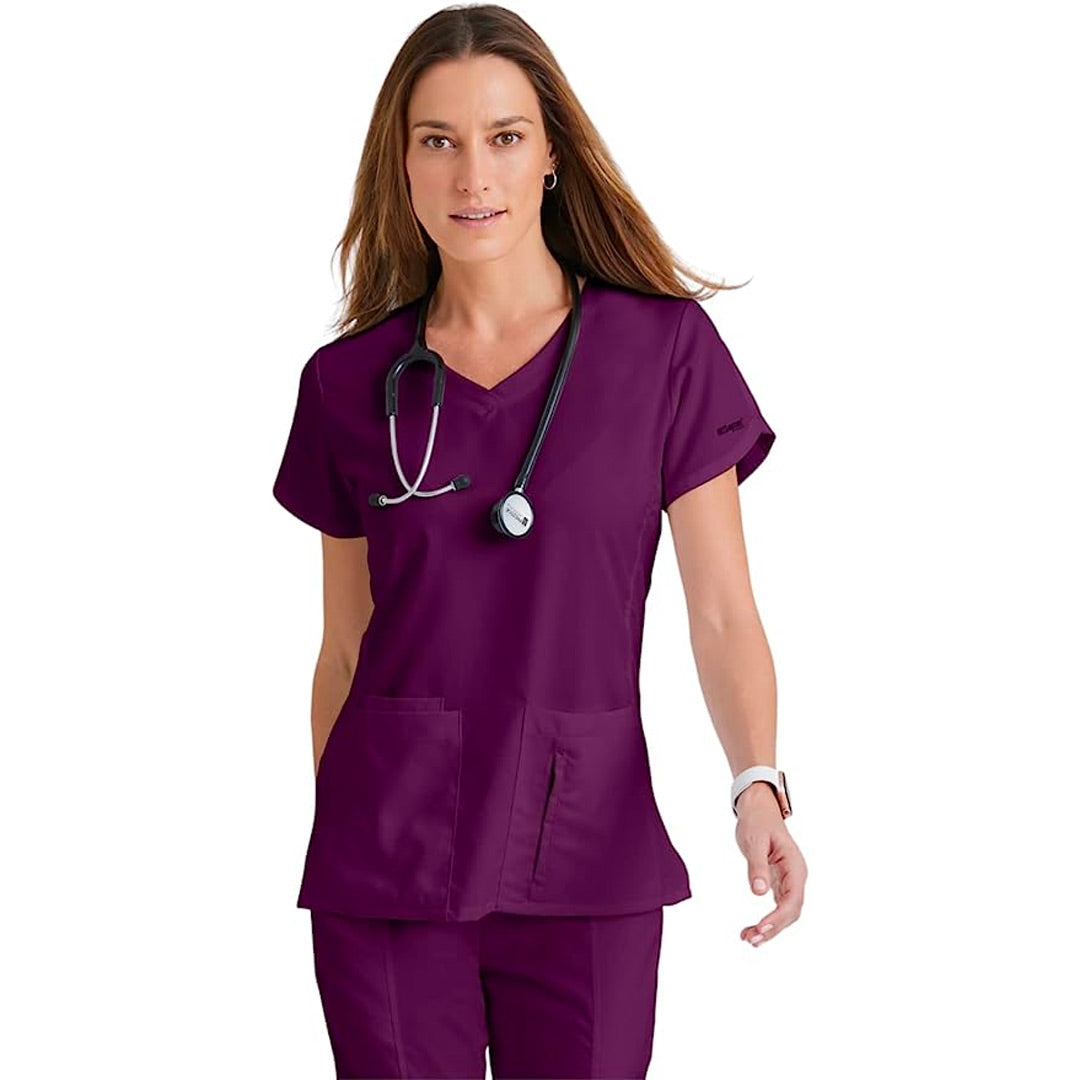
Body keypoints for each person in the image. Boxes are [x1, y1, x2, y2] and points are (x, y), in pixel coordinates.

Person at [271, 5, 808, 1077]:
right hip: (388, 859)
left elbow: (721, 611)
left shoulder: (664, 354)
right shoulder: (348, 384)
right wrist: (349, 823)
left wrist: (758, 781)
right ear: (401, 164)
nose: (474, 175)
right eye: (439, 140)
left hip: (590, 847)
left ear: (552, 153)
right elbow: (344, 646)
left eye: (505, 137)